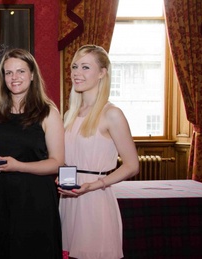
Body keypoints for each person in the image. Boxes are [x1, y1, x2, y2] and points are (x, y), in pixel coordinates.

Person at [0, 48, 65, 258]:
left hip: (35, 199)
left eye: (20, 71)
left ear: (32, 75)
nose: (14, 78)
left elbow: (57, 163)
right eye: (8, 73)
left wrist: (18, 166)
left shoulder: (48, 112)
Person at [58, 44, 139, 259]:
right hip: (69, 198)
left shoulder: (112, 114)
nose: (77, 73)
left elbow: (132, 165)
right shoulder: (69, 115)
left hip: (95, 200)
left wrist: (95, 184)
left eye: (85, 67)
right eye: (75, 66)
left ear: (102, 73)